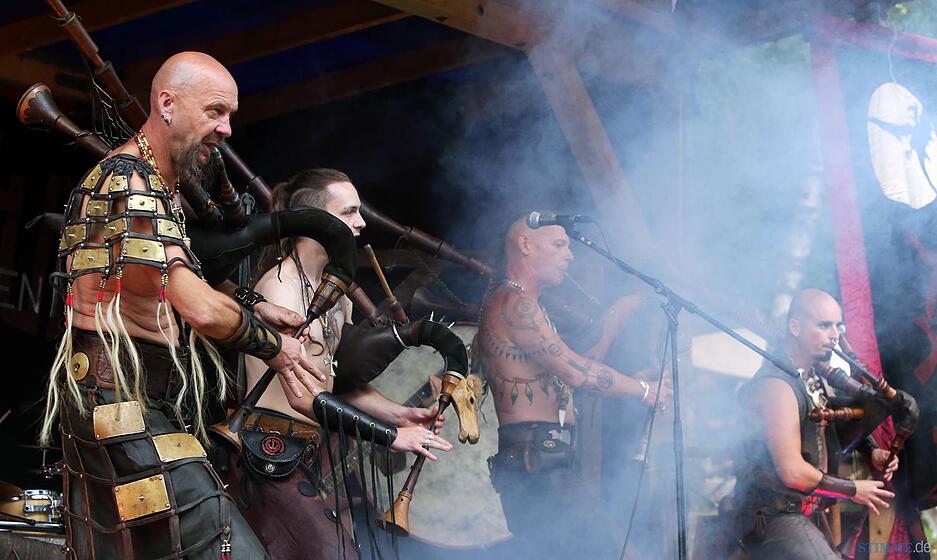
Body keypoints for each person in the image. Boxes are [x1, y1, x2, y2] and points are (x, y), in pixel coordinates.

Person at [42, 52, 328, 560]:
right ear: (167, 104)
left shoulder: (156, 186)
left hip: (139, 402)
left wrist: (253, 307)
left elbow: (164, 286)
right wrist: (275, 348)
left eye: (230, 114)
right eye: (215, 111)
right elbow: (198, 308)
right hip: (116, 405)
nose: (227, 129)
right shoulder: (129, 182)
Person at [219, 168, 453, 560]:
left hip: (307, 456)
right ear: (315, 220)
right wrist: (391, 435)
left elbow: (336, 383)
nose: (361, 223)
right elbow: (302, 397)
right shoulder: (280, 289)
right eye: (349, 212)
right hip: (270, 458)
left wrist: (401, 414)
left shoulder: (336, 295)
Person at [476, 215, 670, 559]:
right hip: (537, 463)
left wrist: (620, 314)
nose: (570, 255)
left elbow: (579, 362)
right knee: (609, 551)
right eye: (559, 245)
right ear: (525, 245)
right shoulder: (516, 304)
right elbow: (578, 372)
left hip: (545, 460)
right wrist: (644, 390)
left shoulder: (523, 304)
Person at [732, 288, 899, 559]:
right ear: (795, 327)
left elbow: (831, 425)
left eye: (837, 326)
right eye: (824, 325)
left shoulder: (813, 378)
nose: (834, 335)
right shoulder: (778, 385)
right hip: (773, 516)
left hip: (803, 512)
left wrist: (871, 451)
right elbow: (792, 472)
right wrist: (853, 490)